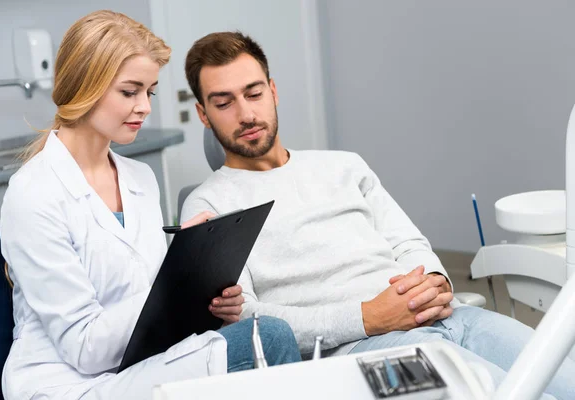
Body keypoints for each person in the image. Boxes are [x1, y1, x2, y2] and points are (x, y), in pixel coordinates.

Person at [180, 31, 575, 400]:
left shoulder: (344, 166)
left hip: (453, 318)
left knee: (562, 375)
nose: (246, 114)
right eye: (224, 102)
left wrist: (434, 281)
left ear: (273, 91)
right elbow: (248, 319)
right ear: (203, 113)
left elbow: (409, 243)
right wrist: (368, 318)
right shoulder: (208, 206)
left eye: (254, 93)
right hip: (361, 348)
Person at [0, 12, 300, 400]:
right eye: (130, 92)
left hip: (138, 364)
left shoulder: (139, 179)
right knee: (269, 338)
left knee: (260, 328)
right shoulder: (32, 194)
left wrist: (206, 300)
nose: (145, 106)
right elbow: (85, 348)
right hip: (66, 384)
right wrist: (175, 282)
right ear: (85, 86)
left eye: (150, 92)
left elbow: (149, 307)